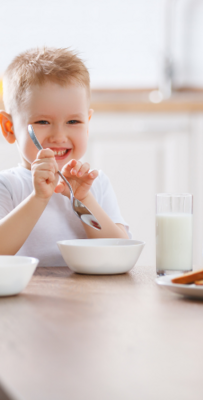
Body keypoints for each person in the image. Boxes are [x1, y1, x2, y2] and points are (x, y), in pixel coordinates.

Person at [0, 47, 130, 266]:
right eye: (42, 122)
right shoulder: (8, 186)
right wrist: (38, 198)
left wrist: (84, 199)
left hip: (86, 297)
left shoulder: (96, 185)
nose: (59, 137)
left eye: (73, 122)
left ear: (87, 123)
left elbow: (120, 252)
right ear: (9, 128)